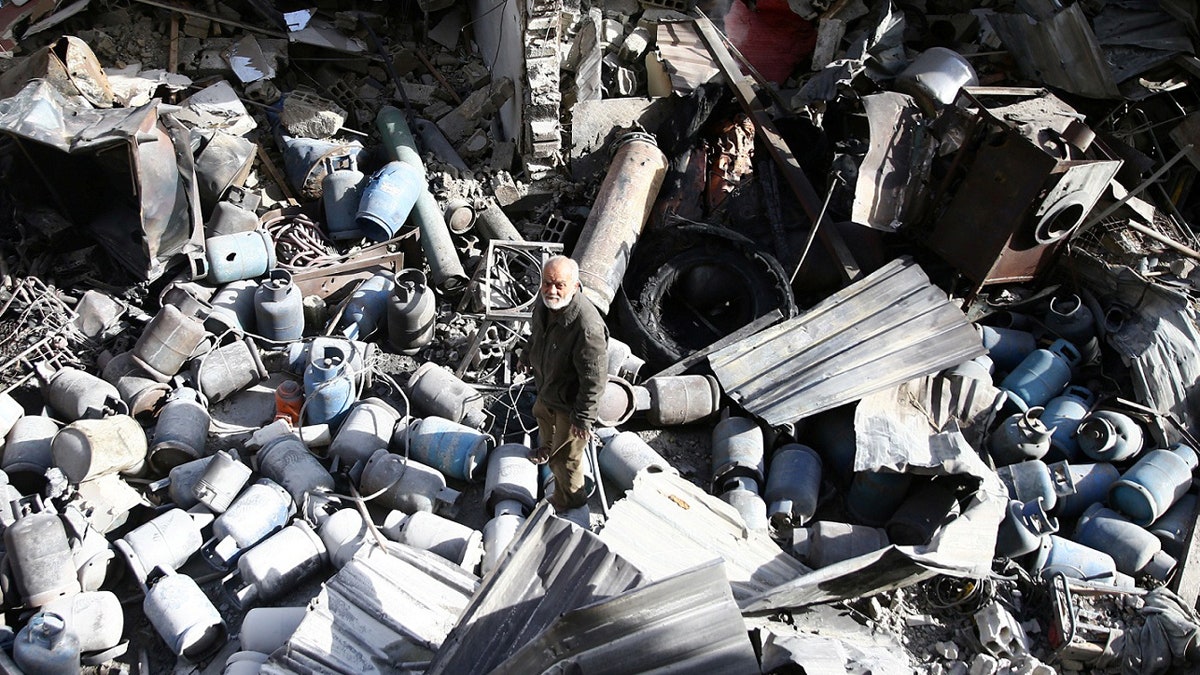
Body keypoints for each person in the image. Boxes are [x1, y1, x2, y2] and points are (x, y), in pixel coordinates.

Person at [523, 255, 608, 512]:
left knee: (566, 459)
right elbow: (537, 334)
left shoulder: (587, 327)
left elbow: (594, 379)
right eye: (547, 283)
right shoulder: (544, 303)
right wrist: (526, 355)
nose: (552, 290)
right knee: (542, 420)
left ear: (576, 286)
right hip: (548, 389)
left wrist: (583, 419)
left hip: (570, 405)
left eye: (559, 285)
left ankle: (570, 501)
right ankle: (546, 449)